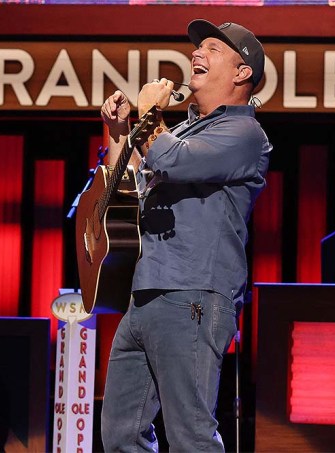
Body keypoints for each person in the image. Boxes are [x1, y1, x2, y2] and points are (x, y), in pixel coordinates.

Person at [99, 20, 271, 451]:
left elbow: (171, 162)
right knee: (120, 433)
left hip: (193, 294)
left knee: (189, 434)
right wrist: (121, 134)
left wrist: (149, 116)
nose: (196, 53)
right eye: (198, 47)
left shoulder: (245, 133)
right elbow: (131, 186)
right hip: (146, 291)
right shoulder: (182, 131)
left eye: (212, 48)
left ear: (241, 72)